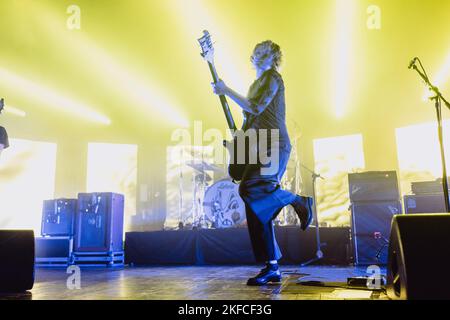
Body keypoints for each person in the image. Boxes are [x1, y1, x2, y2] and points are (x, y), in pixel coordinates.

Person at [212, 40, 314, 286]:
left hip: (275, 145)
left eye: (267, 53)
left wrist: (226, 90)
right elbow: (249, 121)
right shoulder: (255, 84)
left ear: (274, 59)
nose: (260, 54)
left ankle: (299, 201)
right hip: (258, 147)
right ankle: (272, 267)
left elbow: (256, 107)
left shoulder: (273, 78)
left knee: (250, 189)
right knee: (257, 206)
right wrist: (237, 145)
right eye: (258, 51)